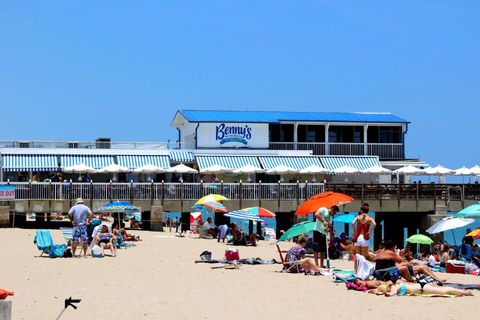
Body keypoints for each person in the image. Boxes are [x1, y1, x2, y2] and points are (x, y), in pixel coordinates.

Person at [367, 280, 473, 297]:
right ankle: (464, 291)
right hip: (421, 286)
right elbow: (375, 290)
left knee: (445, 291)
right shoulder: (394, 285)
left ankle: (466, 292)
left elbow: (391, 294)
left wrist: (382, 293)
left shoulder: (395, 286)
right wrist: (372, 291)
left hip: (422, 288)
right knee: (445, 289)